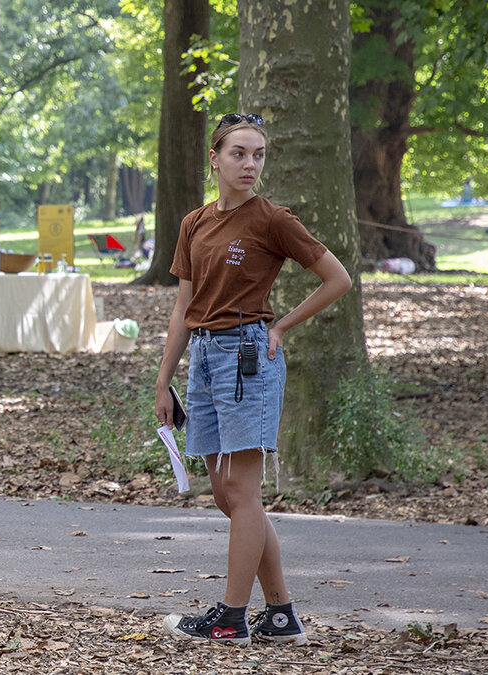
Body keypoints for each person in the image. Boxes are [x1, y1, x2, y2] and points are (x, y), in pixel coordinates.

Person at [153, 112, 351, 646]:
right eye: (239, 153)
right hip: (203, 358)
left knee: (242, 490)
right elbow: (183, 308)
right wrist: (163, 380)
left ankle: (230, 617)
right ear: (214, 158)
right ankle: (281, 613)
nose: (250, 164)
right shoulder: (194, 222)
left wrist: (281, 325)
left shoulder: (272, 220)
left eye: (258, 154)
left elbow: (337, 278)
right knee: (226, 493)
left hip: (248, 359)